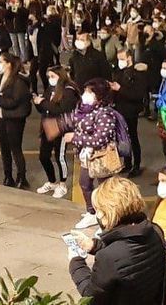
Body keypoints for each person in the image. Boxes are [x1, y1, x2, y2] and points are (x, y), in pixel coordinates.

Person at [69, 177, 166, 305]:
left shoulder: (108, 257)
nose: (98, 215)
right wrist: (94, 246)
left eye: (98, 210)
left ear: (108, 213)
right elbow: (128, 256)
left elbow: (91, 296)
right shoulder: (155, 231)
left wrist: (76, 262)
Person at [67, 78, 125, 230]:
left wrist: (75, 138)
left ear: (99, 95)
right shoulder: (85, 109)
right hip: (88, 155)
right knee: (84, 183)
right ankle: (92, 212)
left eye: (89, 92)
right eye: (85, 91)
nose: (85, 95)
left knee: (105, 189)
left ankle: (109, 218)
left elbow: (99, 139)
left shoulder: (105, 114)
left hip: (101, 156)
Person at [0, 53, 32, 189]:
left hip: (14, 118)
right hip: (1, 116)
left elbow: (13, 102)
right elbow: (0, 97)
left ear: (9, 64)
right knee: (4, 149)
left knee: (15, 149)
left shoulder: (19, 81)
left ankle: (22, 178)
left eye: (1, 61)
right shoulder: (2, 77)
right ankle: (8, 176)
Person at [33, 66, 79, 198]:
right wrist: (38, 102)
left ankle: (62, 184)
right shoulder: (50, 89)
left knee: (60, 157)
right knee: (43, 156)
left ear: (60, 76)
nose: (50, 79)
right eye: (49, 77)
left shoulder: (69, 91)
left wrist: (43, 102)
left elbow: (61, 109)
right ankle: (52, 181)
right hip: (48, 125)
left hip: (61, 127)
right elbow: (45, 108)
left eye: (53, 76)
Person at [110, 49, 147, 177]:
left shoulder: (137, 74)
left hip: (131, 111)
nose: (119, 62)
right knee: (122, 137)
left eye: (121, 59)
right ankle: (127, 163)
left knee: (132, 137)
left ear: (129, 58)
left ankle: (136, 165)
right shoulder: (118, 72)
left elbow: (137, 94)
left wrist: (120, 89)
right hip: (119, 109)